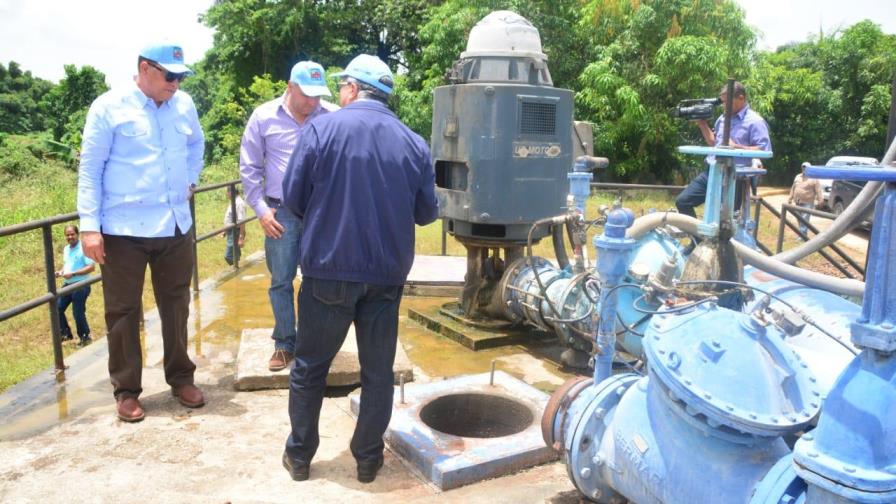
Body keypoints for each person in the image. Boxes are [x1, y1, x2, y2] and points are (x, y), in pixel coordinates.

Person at [280, 54, 439, 484]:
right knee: (377, 373)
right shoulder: (414, 143)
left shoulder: (320, 130)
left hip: (328, 272)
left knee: (310, 366)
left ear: (352, 88)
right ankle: (368, 460)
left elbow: (292, 201)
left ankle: (299, 457)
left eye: (342, 87)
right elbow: (427, 214)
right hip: (385, 279)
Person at [77, 43, 205, 423]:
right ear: (145, 69)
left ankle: (181, 377)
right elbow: (90, 168)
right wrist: (89, 226)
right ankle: (127, 390)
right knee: (123, 311)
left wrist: (192, 179)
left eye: (181, 76)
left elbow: (196, 143)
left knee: (176, 304)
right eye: (170, 76)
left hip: (174, 224)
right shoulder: (108, 107)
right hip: (122, 229)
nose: (177, 83)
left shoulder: (184, 105)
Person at [239, 61, 336, 372]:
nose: (312, 102)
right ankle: (284, 343)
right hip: (280, 212)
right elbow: (250, 167)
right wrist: (261, 211)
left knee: (320, 278)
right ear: (290, 87)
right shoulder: (264, 117)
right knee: (281, 279)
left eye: (318, 96)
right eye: (307, 95)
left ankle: (312, 341)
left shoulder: (333, 116)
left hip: (322, 213)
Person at [675, 81, 772, 218]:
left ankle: (724, 240)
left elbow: (764, 150)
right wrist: (702, 124)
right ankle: (696, 239)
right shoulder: (722, 119)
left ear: (741, 98)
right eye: (723, 102)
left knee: (725, 219)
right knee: (683, 202)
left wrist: (737, 147)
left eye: (728, 102)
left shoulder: (755, 121)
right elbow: (714, 142)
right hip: (711, 171)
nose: (724, 105)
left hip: (734, 176)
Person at [55, 224, 95, 346]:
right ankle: (66, 335)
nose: (70, 237)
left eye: (72, 234)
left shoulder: (84, 247)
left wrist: (73, 274)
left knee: (77, 312)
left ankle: (85, 337)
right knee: (57, 308)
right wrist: (61, 271)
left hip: (81, 284)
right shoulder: (67, 249)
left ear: (78, 234)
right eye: (67, 235)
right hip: (68, 284)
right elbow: (68, 264)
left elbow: (91, 267)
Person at [789, 161, 823, 237]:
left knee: (804, 220)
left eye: (806, 167)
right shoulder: (798, 176)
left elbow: (818, 190)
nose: (804, 169)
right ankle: (801, 234)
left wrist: (820, 200)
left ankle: (802, 237)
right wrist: (790, 198)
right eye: (803, 167)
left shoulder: (814, 178)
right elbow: (793, 187)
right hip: (797, 202)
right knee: (799, 218)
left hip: (807, 203)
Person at [223, 186, 247, 266]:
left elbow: (242, 221)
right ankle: (237, 265)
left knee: (229, 255)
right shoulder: (234, 201)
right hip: (231, 231)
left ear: (230, 192)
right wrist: (225, 230)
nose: (226, 194)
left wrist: (241, 237)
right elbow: (231, 218)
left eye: (227, 192)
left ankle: (236, 267)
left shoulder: (239, 203)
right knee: (234, 252)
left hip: (235, 231)